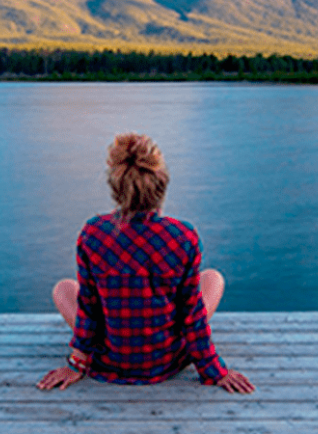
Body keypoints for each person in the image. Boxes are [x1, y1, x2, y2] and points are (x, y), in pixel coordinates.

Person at [37, 133, 255, 394]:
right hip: (165, 360)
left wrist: (76, 363)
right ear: (161, 183)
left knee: (64, 288)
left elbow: (89, 307)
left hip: (110, 359)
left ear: (116, 188)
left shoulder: (93, 233)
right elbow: (192, 313)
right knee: (213, 279)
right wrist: (214, 370)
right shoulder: (183, 236)